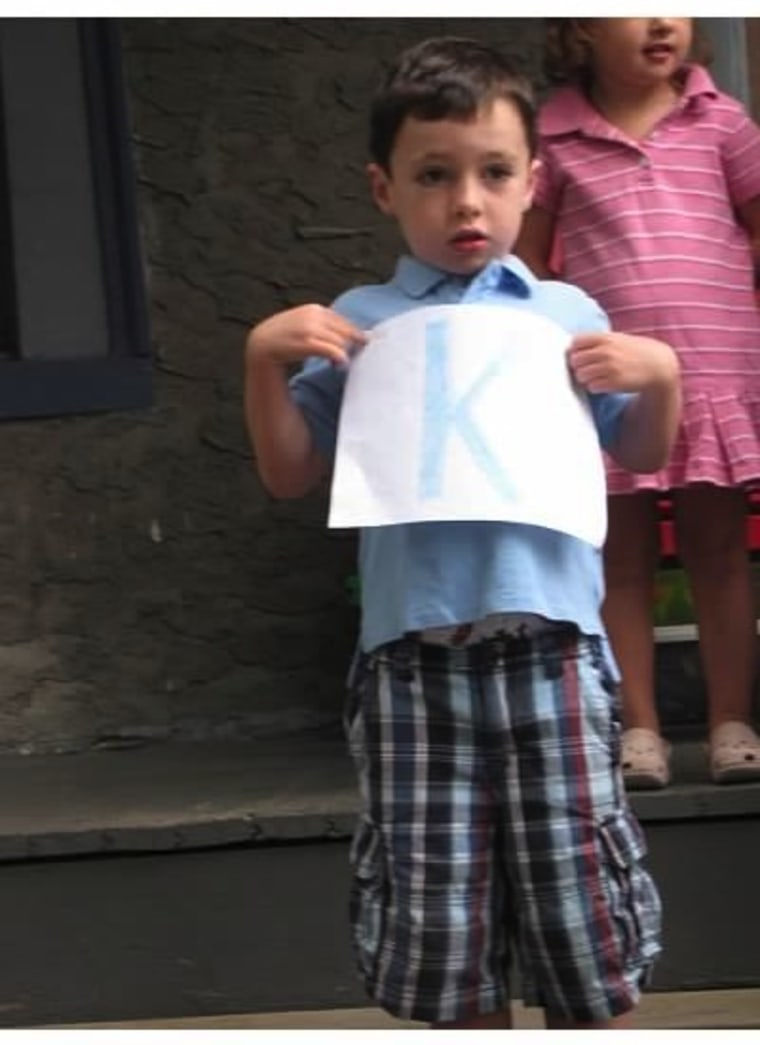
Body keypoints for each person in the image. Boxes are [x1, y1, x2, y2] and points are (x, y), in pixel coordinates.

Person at [244, 35, 680, 1030]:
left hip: (553, 649)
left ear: (534, 179)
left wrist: (661, 375)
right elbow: (287, 469)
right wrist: (263, 363)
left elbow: (644, 453)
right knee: (436, 908)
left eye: (492, 173)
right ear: (383, 188)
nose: (466, 202)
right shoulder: (356, 324)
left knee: (577, 895)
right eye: (433, 176)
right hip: (411, 659)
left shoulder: (565, 315)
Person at [515, 17, 760, 789]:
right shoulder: (552, 137)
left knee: (718, 551)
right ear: (580, 27)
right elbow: (527, 255)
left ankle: (731, 721)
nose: (663, 20)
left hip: (713, 371)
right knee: (619, 558)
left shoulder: (720, 120)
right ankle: (640, 728)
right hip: (607, 379)